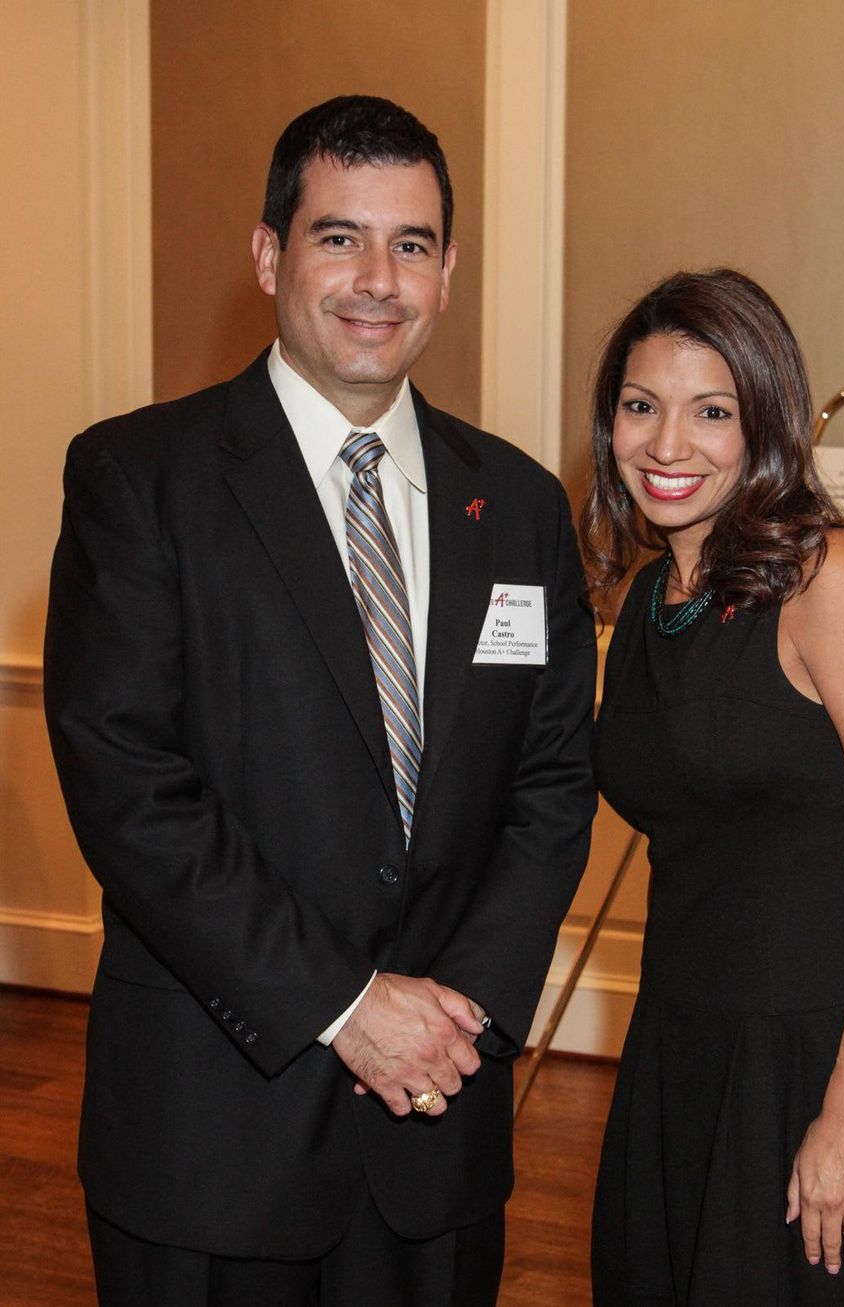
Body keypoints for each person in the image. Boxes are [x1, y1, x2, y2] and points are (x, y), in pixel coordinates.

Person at [44, 95, 596, 1307]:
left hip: (439, 1124)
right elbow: (128, 781)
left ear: (447, 272)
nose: (376, 280)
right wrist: (343, 1004)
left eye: (411, 244)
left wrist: (457, 1016)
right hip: (215, 1131)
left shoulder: (515, 503)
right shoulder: (139, 478)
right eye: (337, 236)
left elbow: (551, 782)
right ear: (267, 255)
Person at [582, 268, 844, 1306]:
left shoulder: (825, 575)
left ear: (763, 422)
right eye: (640, 405)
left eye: (711, 410)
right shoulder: (646, 594)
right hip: (682, 1048)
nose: (667, 443)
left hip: (827, 1053)